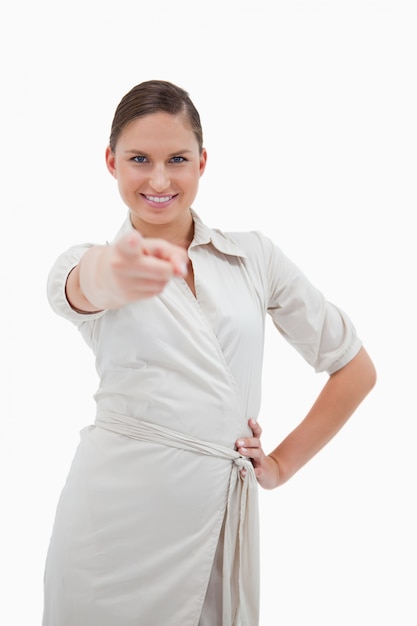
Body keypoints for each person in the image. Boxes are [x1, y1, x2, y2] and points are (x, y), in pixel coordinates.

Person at [42, 79, 376, 626]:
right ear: (111, 162)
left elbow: (354, 368)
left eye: (177, 158)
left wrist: (282, 465)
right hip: (109, 531)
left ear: (202, 161)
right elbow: (84, 285)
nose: (158, 179)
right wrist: (114, 271)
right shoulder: (89, 262)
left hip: (217, 519)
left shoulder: (254, 258)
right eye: (138, 159)